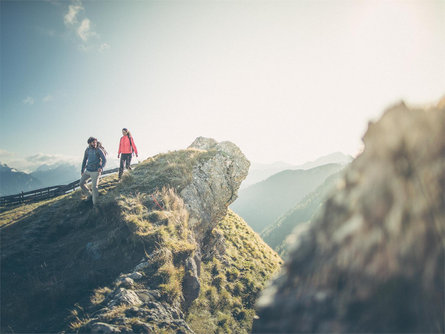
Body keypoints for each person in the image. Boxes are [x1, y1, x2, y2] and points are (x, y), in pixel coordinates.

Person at [80, 137, 107, 205]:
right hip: (88, 170)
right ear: (89, 143)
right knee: (81, 183)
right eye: (93, 142)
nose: (95, 144)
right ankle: (89, 195)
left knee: (94, 187)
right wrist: (82, 170)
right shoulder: (87, 150)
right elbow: (84, 160)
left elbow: (104, 160)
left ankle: (95, 204)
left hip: (96, 171)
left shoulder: (98, 150)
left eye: (95, 142)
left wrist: (101, 167)